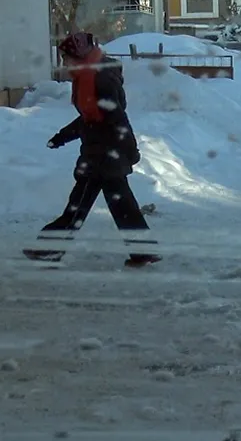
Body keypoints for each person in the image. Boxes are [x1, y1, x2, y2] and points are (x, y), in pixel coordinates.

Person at [23, 32, 160, 268]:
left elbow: (116, 119)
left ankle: (51, 249)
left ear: (78, 55)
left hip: (101, 156)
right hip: (105, 152)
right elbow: (92, 118)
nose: (64, 63)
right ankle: (143, 251)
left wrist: (131, 149)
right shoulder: (91, 76)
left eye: (66, 57)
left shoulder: (97, 80)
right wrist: (62, 137)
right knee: (122, 206)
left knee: (78, 206)